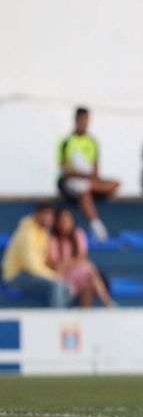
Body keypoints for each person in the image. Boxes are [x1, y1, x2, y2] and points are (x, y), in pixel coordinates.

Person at [56, 107, 119, 241]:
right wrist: (82, 174)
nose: (84, 124)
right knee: (83, 189)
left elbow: (95, 171)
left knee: (115, 183)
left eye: (86, 121)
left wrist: (89, 177)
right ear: (75, 120)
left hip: (88, 181)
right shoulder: (66, 141)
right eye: (81, 121)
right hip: (70, 182)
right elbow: (65, 170)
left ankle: (90, 190)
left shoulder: (92, 142)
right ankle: (96, 225)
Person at [2, 202, 71, 307]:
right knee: (57, 285)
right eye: (45, 214)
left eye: (50, 214)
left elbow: (42, 260)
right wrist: (54, 276)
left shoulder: (43, 232)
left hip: (30, 273)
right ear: (36, 214)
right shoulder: (27, 233)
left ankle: (61, 318)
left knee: (68, 287)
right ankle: (55, 319)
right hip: (16, 275)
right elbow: (31, 266)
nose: (48, 218)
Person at [47, 208, 114, 307]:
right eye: (62, 221)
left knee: (89, 281)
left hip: (79, 273)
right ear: (57, 223)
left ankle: (88, 313)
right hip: (63, 276)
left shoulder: (78, 234)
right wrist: (74, 262)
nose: (65, 224)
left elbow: (82, 257)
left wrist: (67, 263)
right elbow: (55, 264)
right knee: (90, 270)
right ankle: (107, 303)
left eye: (68, 221)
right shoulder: (53, 239)